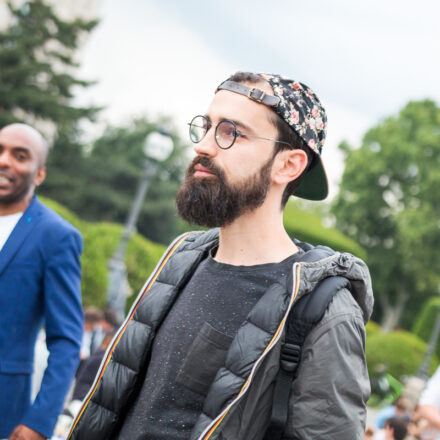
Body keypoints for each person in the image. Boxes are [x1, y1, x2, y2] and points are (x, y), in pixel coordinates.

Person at [68, 72, 373, 439]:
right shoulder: (181, 260)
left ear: (288, 165)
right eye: (207, 126)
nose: (204, 146)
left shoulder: (324, 309)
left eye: (231, 132)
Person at [0, 124, 83, 440]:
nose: (5, 161)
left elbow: (66, 339)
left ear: (39, 175)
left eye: (20, 156)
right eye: (0, 150)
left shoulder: (57, 236)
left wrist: (40, 420)